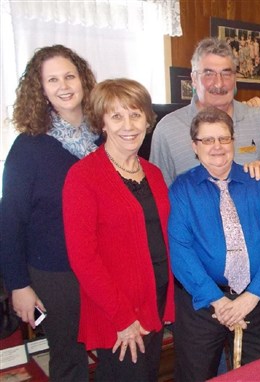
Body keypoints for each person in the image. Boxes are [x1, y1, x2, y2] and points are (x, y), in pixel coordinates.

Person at [62, 79, 175, 381]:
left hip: (155, 301)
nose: (129, 125)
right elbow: (83, 259)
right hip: (118, 314)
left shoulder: (152, 172)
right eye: (117, 116)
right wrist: (123, 317)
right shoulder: (83, 176)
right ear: (102, 123)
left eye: (136, 114)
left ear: (147, 120)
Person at [0, 44, 97, 381]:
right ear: (40, 90)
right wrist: (19, 286)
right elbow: (10, 221)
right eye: (52, 79)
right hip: (55, 275)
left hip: (102, 264)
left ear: (83, 80)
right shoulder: (28, 147)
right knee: (69, 356)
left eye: (70, 75)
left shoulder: (105, 136)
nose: (64, 85)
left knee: (114, 347)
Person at [168, 106, 260, 381]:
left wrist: (251, 296)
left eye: (223, 138)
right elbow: (180, 250)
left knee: (254, 376)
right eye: (207, 140)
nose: (217, 147)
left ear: (234, 140)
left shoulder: (259, 182)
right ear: (194, 146)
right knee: (196, 375)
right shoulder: (182, 189)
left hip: (256, 301)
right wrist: (219, 303)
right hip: (203, 305)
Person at [150, 37, 260, 186]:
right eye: (209, 73)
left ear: (235, 78)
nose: (219, 83)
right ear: (194, 79)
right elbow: (158, 193)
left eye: (226, 73)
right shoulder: (167, 130)